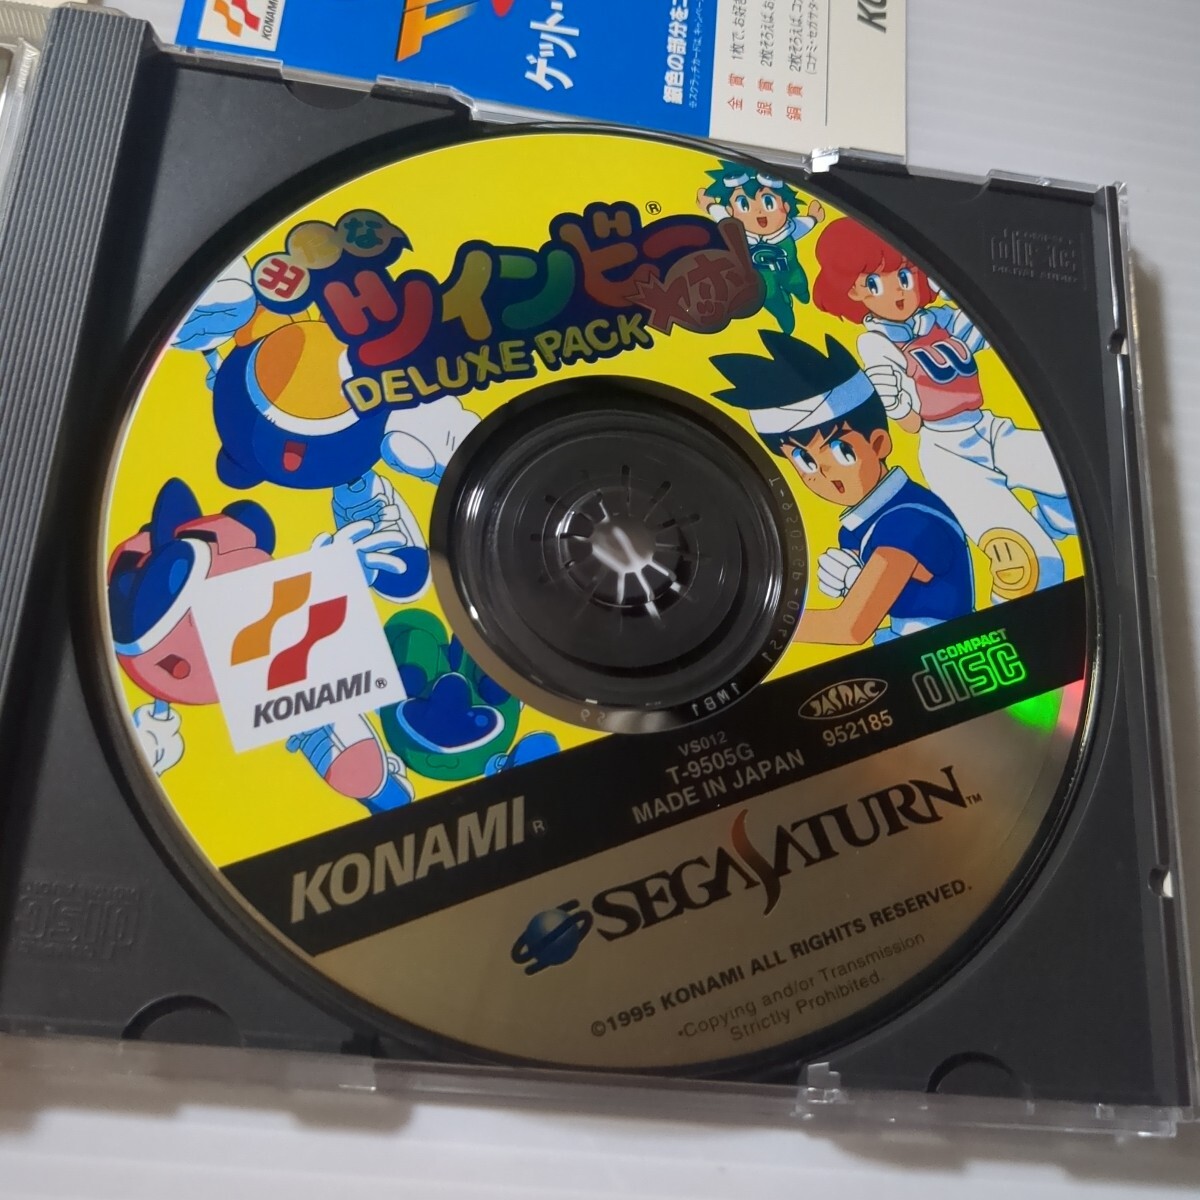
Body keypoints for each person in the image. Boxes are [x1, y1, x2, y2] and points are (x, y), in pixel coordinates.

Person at [812, 218, 1076, 601]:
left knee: (1070, 476)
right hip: (948, 453)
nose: (898, 292)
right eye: (875, 284)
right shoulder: (876, 342)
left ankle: (1051, 521)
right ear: (853, 291)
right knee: (1031, 566)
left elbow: (985, 327)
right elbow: (904, 415)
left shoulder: (941, 320)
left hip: (990, 429)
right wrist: (906, 407)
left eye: (905, 277)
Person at [713, 331, 974, 645]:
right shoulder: (860, 524)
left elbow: (848, 628)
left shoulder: (907, 522)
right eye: (805, 461)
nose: (824, 472)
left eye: (841, 452)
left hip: (945, 648)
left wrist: (742, 621)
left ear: (878, 443)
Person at [696, 161, 825, 335]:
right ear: (731, 211)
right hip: (762, 278)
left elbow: (803, 225)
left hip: (789, 269)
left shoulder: (788, 229)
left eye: (768, 203)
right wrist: (709, 205)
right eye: (744, 205)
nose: (759, 212)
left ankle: (801, 293)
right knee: (769, 294)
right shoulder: (737, 233)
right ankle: (783, 311)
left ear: (786, 206)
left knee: (798, 281)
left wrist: (813, 218)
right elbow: (721, 216)